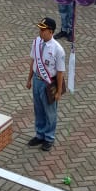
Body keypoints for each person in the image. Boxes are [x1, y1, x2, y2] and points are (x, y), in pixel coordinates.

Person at [27, 17, 66, 152]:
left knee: (50, 112)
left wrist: (58, 91)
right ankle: (40, 134)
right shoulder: (37, 42)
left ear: (50, 31)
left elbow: (60, 72)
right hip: (37, 80)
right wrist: (29, 79)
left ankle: (49, 138)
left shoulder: (58, 49)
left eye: (43, 30)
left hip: (49, 83)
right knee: (38, 109)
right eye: (40, 29)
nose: (40, 32)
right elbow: (33, 61)